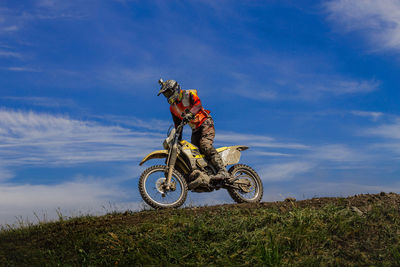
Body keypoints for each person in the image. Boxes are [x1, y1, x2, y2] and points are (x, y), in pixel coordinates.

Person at [157, 79, 231, 182]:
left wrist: (191, 114)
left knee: (205, 145)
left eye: (169, 92)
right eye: (166, 94)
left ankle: (223, 171)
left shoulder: (188, 94)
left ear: (175, 89)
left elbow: (198, 105)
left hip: (205, 122)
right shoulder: (172, 108)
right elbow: (178, 125)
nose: (168, 96)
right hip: (195, 129)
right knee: (193, 153)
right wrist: (177, 139)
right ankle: (206, 173)